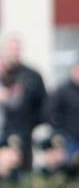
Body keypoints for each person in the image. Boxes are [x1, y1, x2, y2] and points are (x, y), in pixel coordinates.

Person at [0, 34, 47, 169]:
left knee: (22, 173)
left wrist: (29, 125)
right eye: (10, 49)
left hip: (22, 136)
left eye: (17, 49)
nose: (14, 53)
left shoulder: (31, 76)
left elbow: (43, 106)